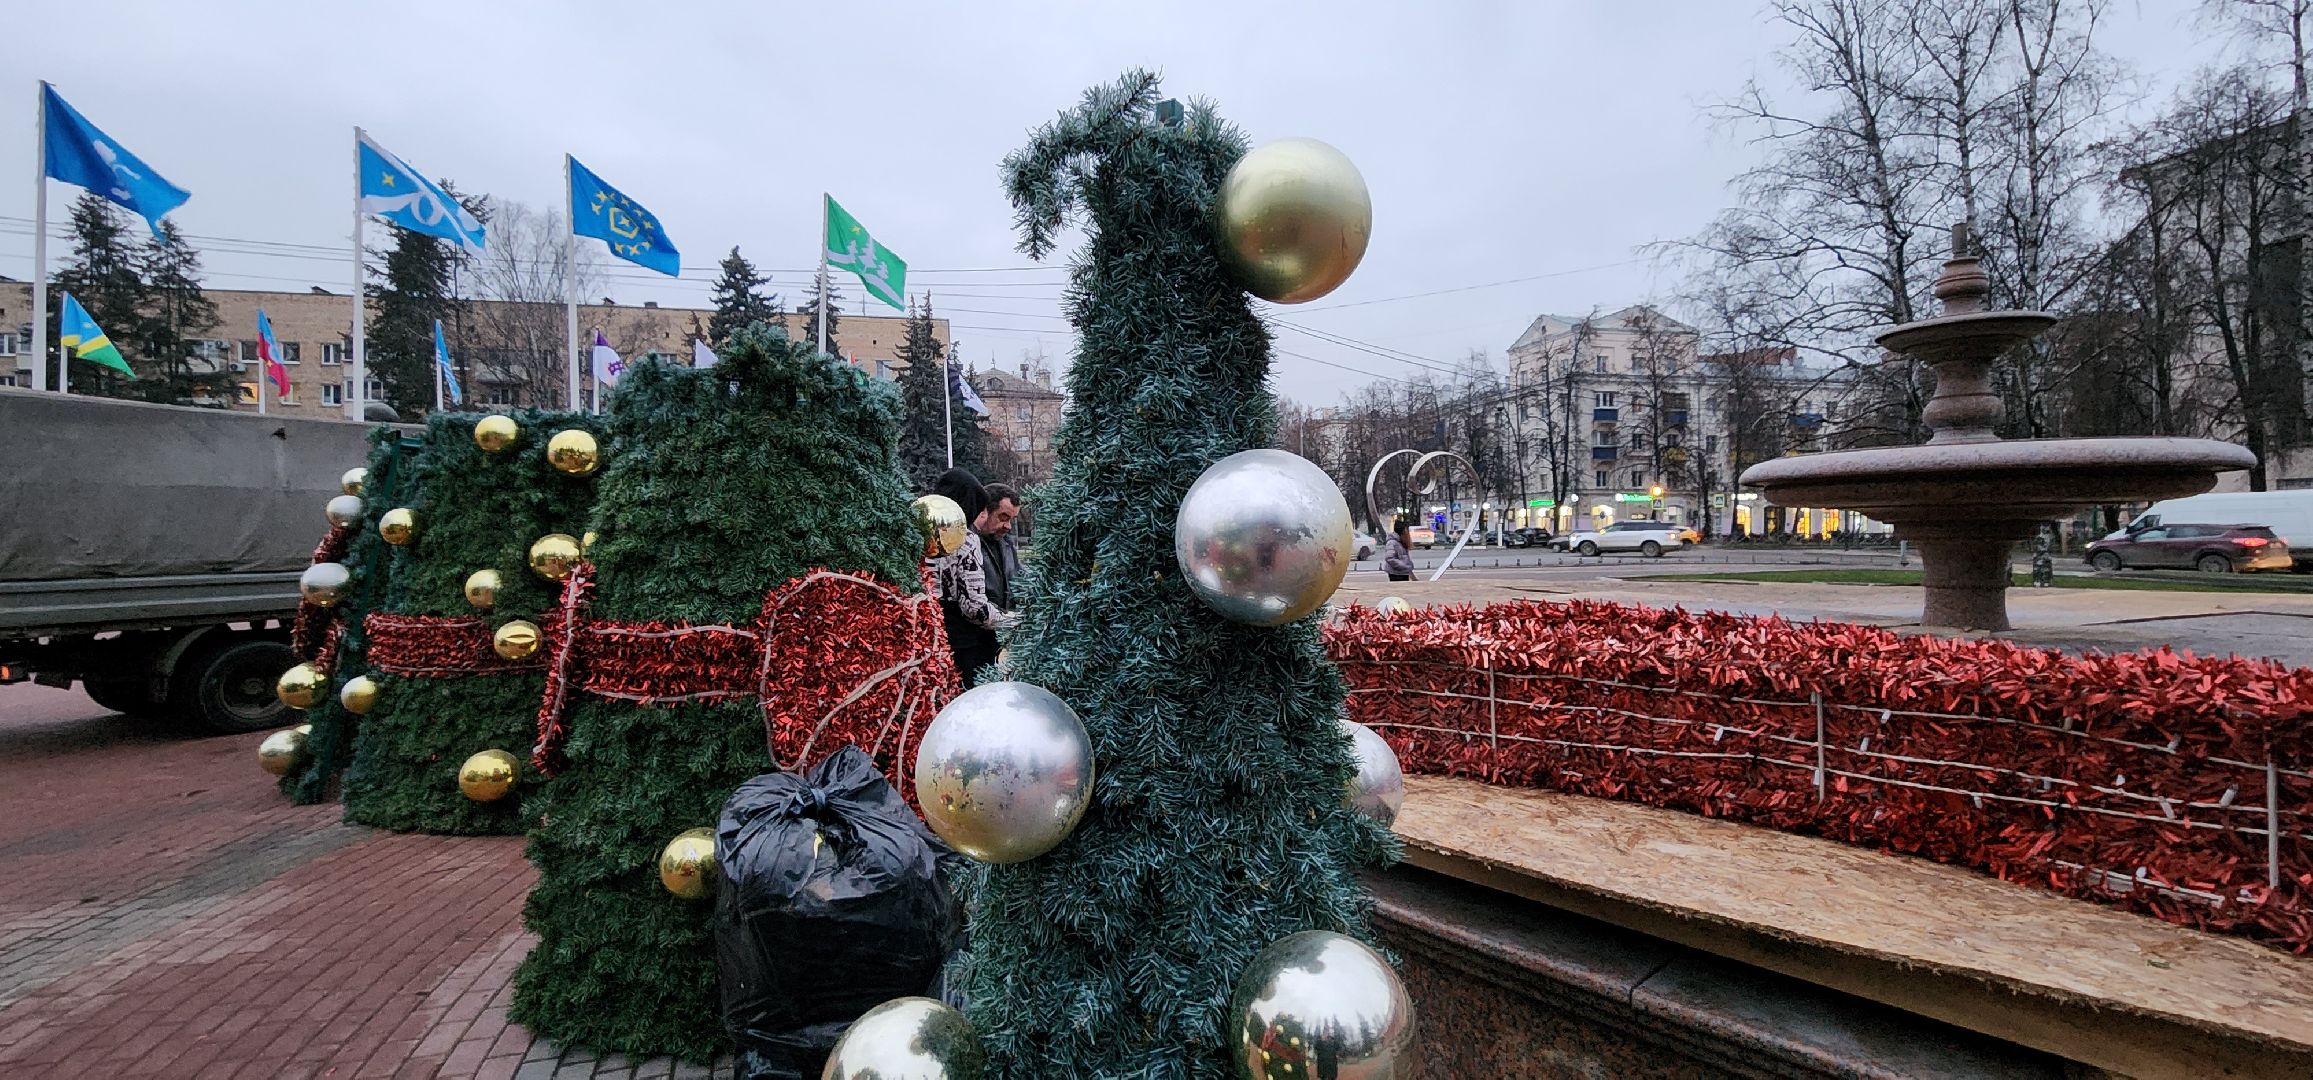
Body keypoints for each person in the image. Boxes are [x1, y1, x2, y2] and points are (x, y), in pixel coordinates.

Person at [930, 468, 1011, 686]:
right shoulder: (964, 538)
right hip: (964, 643)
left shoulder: (920, 532)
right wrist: (1011, 621)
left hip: (927, 634)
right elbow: (974, 607)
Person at [979, 482, 1023, 614]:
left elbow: (1020, 581)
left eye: (1011, 520)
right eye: (1003, 518)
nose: (1008, 526)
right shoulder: (966, 546)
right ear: (984, 512)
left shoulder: (1007, 544)